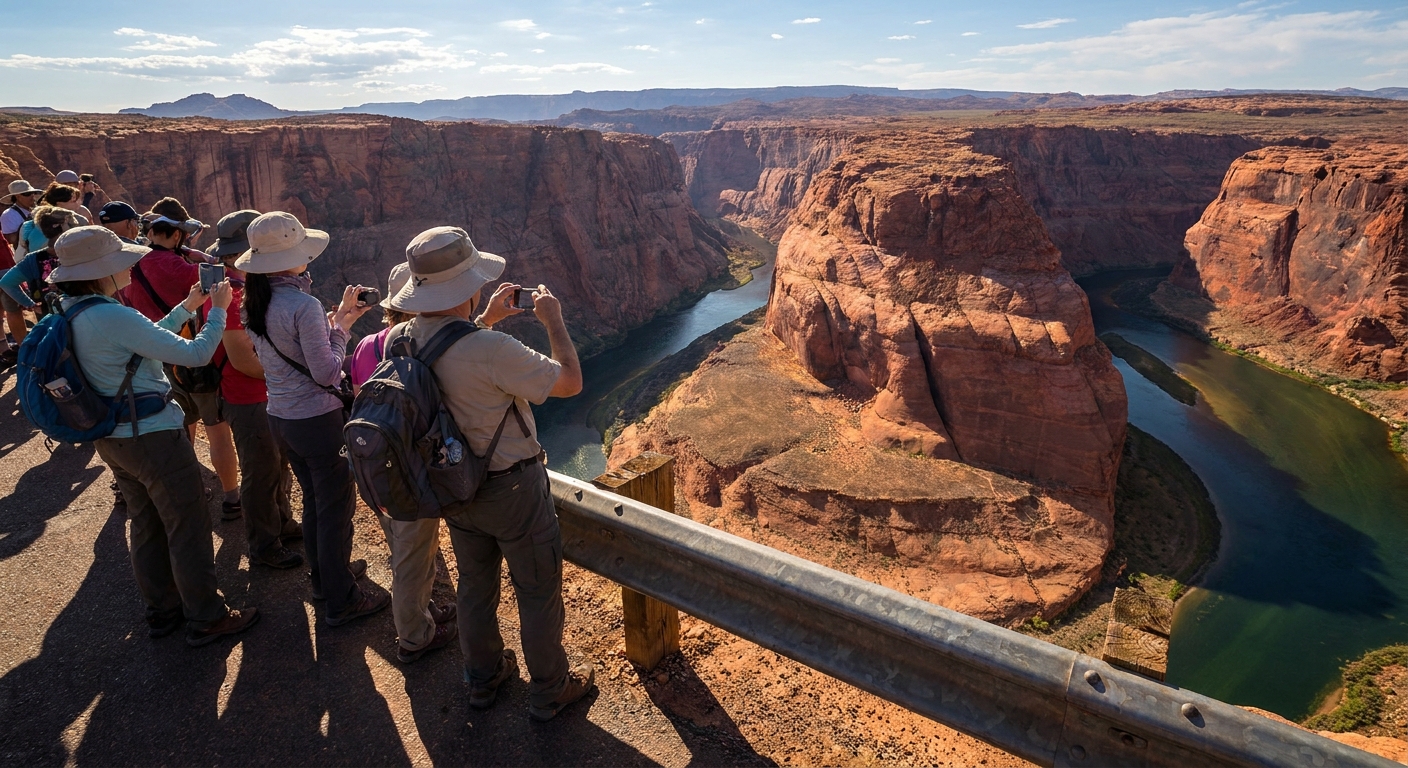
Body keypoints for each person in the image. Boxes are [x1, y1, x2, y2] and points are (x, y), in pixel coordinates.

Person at [386, 226, 591, 721]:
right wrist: (553, 321)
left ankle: (482, 679)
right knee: (538, 592)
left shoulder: (400, 337)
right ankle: (549, 690)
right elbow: (570, 382)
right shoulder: (491, 349)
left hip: (451, 486)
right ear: (469, 286)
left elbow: (447, 355)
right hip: (512, 490)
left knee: (475, 588)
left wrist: (483, 319)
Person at [46, 225, 258, 645]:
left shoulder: (71, 310)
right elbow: (196, 353)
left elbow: (140, 341)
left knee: (145, 521)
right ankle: (207, 616)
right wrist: (217, 309)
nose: (130, 264)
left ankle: (162, 609)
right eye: (121, 260)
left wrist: (187, 306)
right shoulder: (111, 313)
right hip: (152, 436)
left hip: (113, 434)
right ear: (102, 271)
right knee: (187, 522)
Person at [238, 210, 387, 625]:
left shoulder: (254, 301)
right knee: (335, 506)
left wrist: (337, 320)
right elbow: (325, 372)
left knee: (315, 502)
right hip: (318, 422)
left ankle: (326, 578)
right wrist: (340, 333)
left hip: (280, 417)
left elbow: (289, 355)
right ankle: (341, 600)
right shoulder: (301, 305)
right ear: (291, 258)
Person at [348, 262, 458, 662]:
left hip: (371, 463)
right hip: (411, 470)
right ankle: (414, 635)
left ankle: (422, 610)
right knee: (414, 555)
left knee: (400, 544)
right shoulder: (425, 349)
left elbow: (362, 401)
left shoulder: (365, 346)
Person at [123, 198, 241, 520]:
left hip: (156, 358)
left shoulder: (129, 265)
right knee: (216, 429)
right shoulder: (180, 268)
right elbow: (226, 278)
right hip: (193, 355)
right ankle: (232, 498)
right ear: (177, 235)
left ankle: (192, 487)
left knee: (183, 423)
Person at [204, 210, 303, 569]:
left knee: (279, 463)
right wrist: (291, 376)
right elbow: (242, 360)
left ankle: (283, 524)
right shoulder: (232, 296)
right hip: (247, 397)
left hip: (267, 396)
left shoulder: (248, 287)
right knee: (261, 471)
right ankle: (264, 545)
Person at [0, 207, 83, 319]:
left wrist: (31, 305)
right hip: (83, 314)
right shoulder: (81, 253)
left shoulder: (33, 258)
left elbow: (7, 282)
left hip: (50, 320)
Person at [0, 179, 42, 366]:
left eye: (33, 193)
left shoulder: (36, 211)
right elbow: (11, 239)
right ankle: (25, 348)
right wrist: (29, 229)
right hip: (20, 264)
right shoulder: (9, 215)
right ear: (16, 197)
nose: (32, 196)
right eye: (27, 194)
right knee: (14, 307)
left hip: (36, 263)